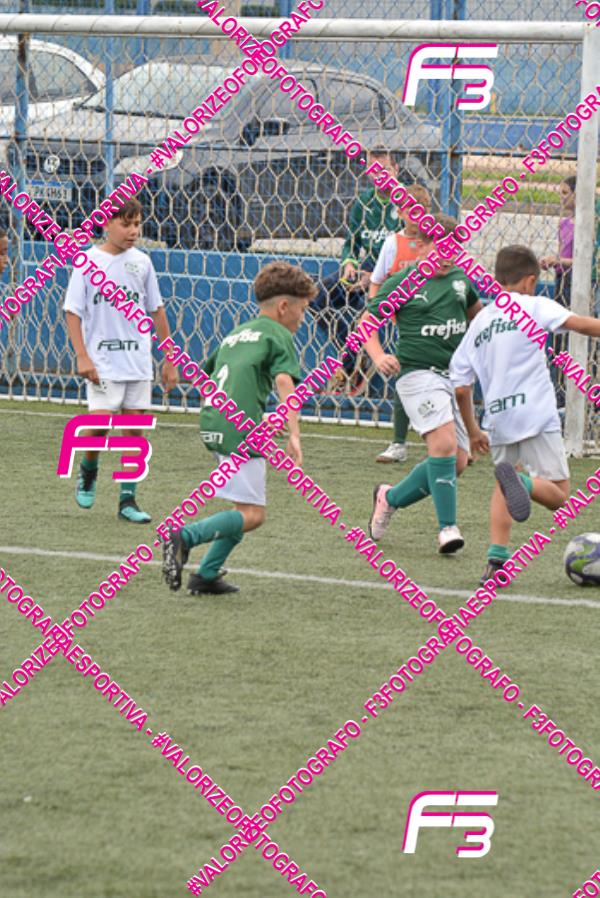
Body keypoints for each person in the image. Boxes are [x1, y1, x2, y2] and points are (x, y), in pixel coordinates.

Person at [162, 261, 317, 596]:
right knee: (253, 515)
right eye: (303, 310)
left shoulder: (237, 333)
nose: (302, 319)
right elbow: (284, 382)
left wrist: (251, 416)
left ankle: (206, 575)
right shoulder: (278, 334)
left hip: (214, 421)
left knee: (242, 505)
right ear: (284, 306)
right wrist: (294, 434)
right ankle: (183, 536)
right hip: (238, 431)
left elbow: (213, 376)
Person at [450, 244, 600, 585]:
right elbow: (581, 325)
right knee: (559, 495)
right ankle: (523, 483)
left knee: (503, 483)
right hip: (536, 413)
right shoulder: (534, 305)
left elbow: (460, 388)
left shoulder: (481, 321)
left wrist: (473, 431)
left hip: (498, 420)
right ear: (531, 281)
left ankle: (496, 561)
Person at [364, 213, 482, 554]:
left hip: (452, 378)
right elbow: (367, 323)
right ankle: (448, 529)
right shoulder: (403, 282)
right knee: (443, 446)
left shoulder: (461, 280)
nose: (448, 256)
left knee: (457, 462)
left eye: (454, 250)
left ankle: (390, 497)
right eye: (441, 248)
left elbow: (477, 317)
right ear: (422, 245)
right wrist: (378, 355)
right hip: (417, 374)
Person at [64, 198, 177, 523]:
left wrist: (169, 359)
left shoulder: (142, 263)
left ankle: (128, 500)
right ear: (106, 224)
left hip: (137, 360)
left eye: (137, 224)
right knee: (99, 424)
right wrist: (82, 355)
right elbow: (73, 311)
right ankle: (88, 470)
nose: (133, 231)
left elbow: (157, 310)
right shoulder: (87, 262)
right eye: (126, 224)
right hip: (102, 360)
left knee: (134, 431)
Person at [368, 184, 432, 463]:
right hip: (406, 324)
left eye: (422, 210)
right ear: (400, 213)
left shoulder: (438, 241)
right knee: (405, 377)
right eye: (411, 211)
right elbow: (376, 282)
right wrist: (378, 311)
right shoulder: (393, 243)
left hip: (436, 320)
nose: (417, 217)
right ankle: (399, 443)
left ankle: (457, 439)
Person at [311, 259, 374, 394]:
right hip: (363, 267)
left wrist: (375, 277)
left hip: (390, 271)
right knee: (315, 297)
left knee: (367, 308)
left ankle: (350, 365)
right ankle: (354, 354)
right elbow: (350, 248)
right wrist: (349, 263)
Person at [340, 146, 401, 283]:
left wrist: (374, 277)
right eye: (374, 171)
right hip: (370, 264)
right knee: (329, 288)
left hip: (399, 269)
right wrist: (349, 264)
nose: (380, 176)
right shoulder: (363, 202)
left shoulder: (407, 200)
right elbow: (352, 242)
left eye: (385, 170)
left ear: (396, 169)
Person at [540, 175, 576, 308]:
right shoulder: (564, 223)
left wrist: (558, 260)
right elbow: (561, 254)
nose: (561, 196)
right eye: (560, 193)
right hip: (562, 275)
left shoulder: (586, 226)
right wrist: (551, 261)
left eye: (565, 193)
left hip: (575, 275)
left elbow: (583, 261)